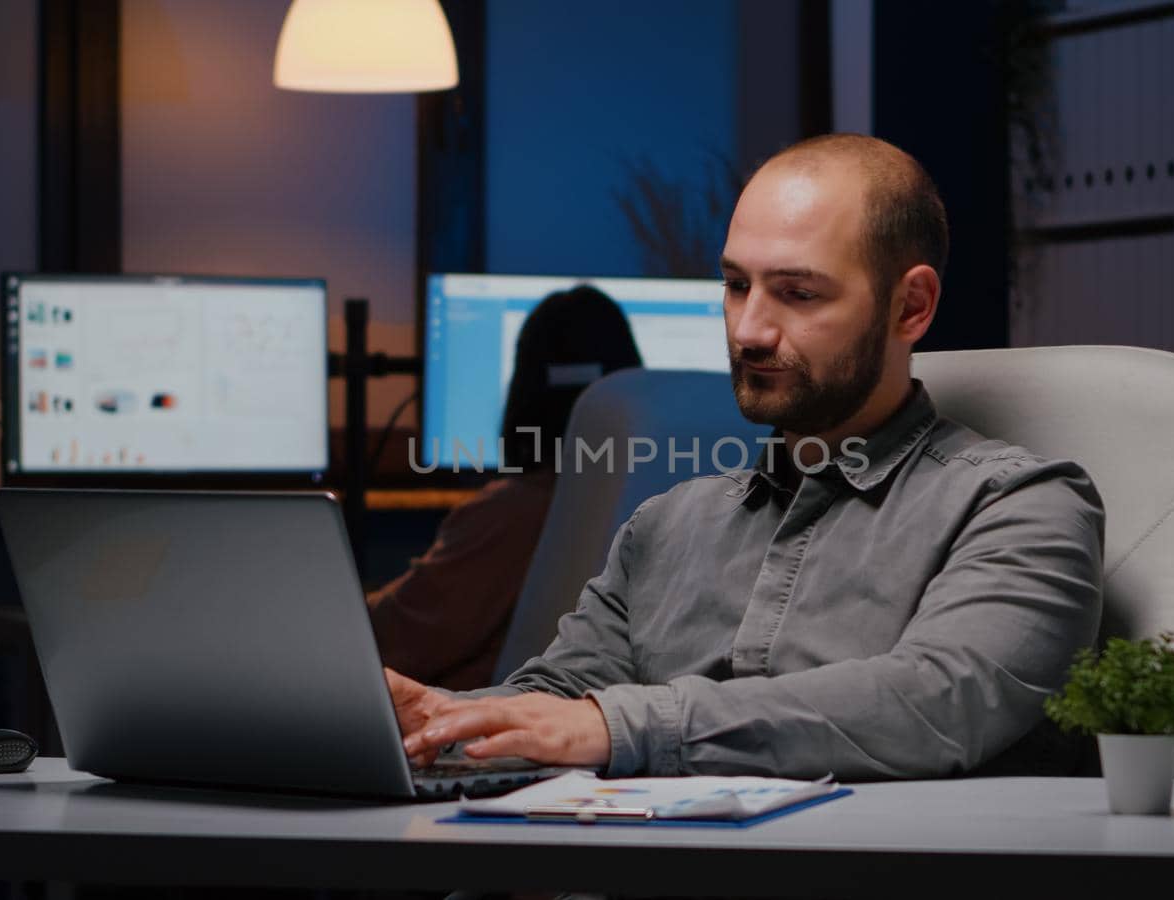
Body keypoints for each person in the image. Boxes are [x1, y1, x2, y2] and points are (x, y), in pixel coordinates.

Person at [389, 134, 1106, 780]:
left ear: (910, 307)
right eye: (736, 286)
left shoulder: (1021, 506)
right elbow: (558, 697)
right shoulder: (669, 523)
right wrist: (438, 719)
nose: (750, 330)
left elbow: (938, 703)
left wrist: (620, 724)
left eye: (796, 293)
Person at [366, 286, 642, 690]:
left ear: (525, 393)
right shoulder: (655, 503)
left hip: (476, 733)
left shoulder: (514, 512)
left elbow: (389, 640)